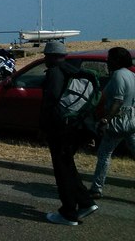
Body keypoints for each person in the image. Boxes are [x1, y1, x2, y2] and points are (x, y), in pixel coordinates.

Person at [39, 41, 98, 226]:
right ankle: (86, 203)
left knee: (62, 171)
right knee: (68, 167)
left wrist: (42, 128)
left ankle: (68, 213)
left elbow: (51, 104)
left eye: (46, 55)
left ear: (51, 56)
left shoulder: (55, 73)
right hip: (76, 127)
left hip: (61, 130)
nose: (45, 59)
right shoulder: (73, 70)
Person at [90, 47, 135, 198]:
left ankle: (97, 188)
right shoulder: (131, 75)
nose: (107, 61)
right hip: (132, 121)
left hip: (118, 122)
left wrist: (106, 119)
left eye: (110, 58)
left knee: (104, 154)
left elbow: (118, 100)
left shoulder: (118, 75)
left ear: (117, 60)